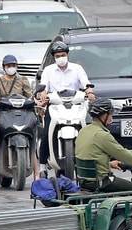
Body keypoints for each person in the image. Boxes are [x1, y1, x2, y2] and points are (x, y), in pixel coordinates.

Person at [75, 97, 132, 192]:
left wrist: (109, 164)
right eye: (110, 114)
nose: (111, 117)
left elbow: (89, 156)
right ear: (104, 116)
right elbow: (122, 154)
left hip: (86, 181)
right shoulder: (101, 135)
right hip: (102, 182)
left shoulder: (84, 131)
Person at [38, 41, 95, 176]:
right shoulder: (48, 70)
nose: (60, 58)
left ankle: (90, 162)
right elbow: (43, 88)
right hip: (55, 106)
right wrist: (43, 95)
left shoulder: (77, 69)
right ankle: (42, 167)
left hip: (75, 106)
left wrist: (89, 92)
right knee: (46, 134)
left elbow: (86, 83)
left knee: (88, 131)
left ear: (67, 54)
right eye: (58, 56)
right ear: (54, 57)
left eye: (63, 55)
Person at [0, 54, 39, 188]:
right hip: (4, 114)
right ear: (4, 67)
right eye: (9, 66)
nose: (11, 68)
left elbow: (30, 96)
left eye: (13, 66)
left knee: (31, 139)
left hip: (22, 114)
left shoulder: (22, 80)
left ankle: (37, 175)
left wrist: (36, 101)